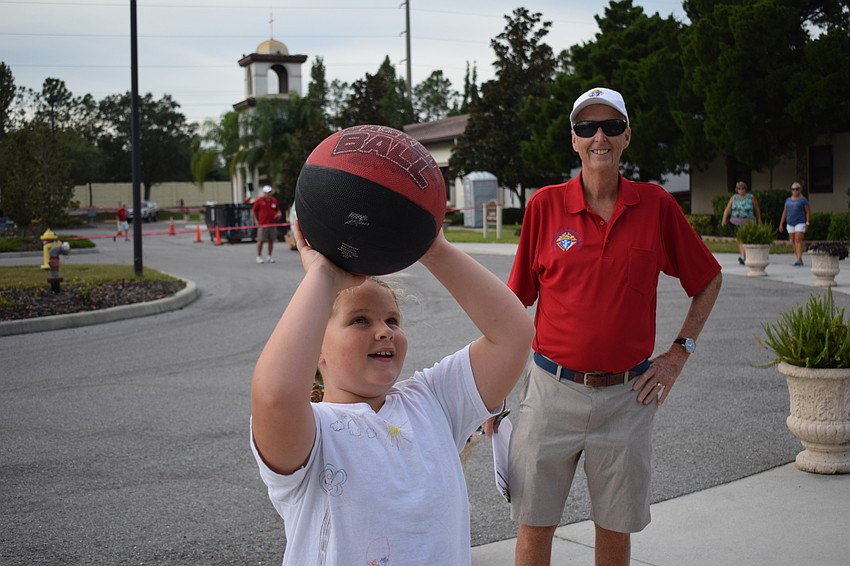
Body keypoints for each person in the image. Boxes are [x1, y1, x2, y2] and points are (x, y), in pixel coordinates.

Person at [502, 87, 723, 566]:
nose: (598, 136)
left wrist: (678, 353)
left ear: (627, 137)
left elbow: (707, 279)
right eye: (586, 128)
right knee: (534, 528)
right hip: (550, 391)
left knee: (615, 532)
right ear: (574, 141)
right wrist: (483, 387)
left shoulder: (657, 205)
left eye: (609, 126)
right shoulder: (545, 206)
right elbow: (513, 300)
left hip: (628, 397)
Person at [250, 223, 534, 564]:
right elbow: (274, 396)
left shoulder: (432, 402)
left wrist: (433, 248)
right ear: (316, 349)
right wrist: (323, 276)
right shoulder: (313, 434)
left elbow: (513, 335)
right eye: (360, 321)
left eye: (393, 321)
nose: (384, 331)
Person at [721, 180, 762, 264]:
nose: (741, 190)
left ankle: (747, 254)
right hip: (736, 221)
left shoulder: (750, 197)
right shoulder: (734, 197)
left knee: (747, 238)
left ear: (745, 189)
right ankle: (742, 256)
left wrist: (759, 219)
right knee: (740, 238)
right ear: (737, 189)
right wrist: (724, 219)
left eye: (743, 188)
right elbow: (728, 209)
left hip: (748, 221)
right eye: (739, 188)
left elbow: (757, 208)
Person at [779, 181, 811, 266]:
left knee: (798, 239)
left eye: (797, 189)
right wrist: (781, 223)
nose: (795, 191)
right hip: (790, 222)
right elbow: (784, 212)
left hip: (800, 222)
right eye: (793, 189)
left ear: (800, 190)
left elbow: (807, 211)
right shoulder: (788, 200)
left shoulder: (803, 200)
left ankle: (799, 259)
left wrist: (807, 222)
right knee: (793, 240)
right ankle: (798, 258)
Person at [251, 185, 281, 264]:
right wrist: (256, 221)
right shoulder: (259, 200)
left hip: (272, 224)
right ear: (264, 193)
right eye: (267, 193)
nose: (269, 194)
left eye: (270, 192)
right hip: (263, 224)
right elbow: (254, 211)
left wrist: (278, 214)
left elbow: (278, 210)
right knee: (260, 240)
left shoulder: (274, 201)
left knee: (271, 240)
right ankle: (259, 256)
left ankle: (269, 256)